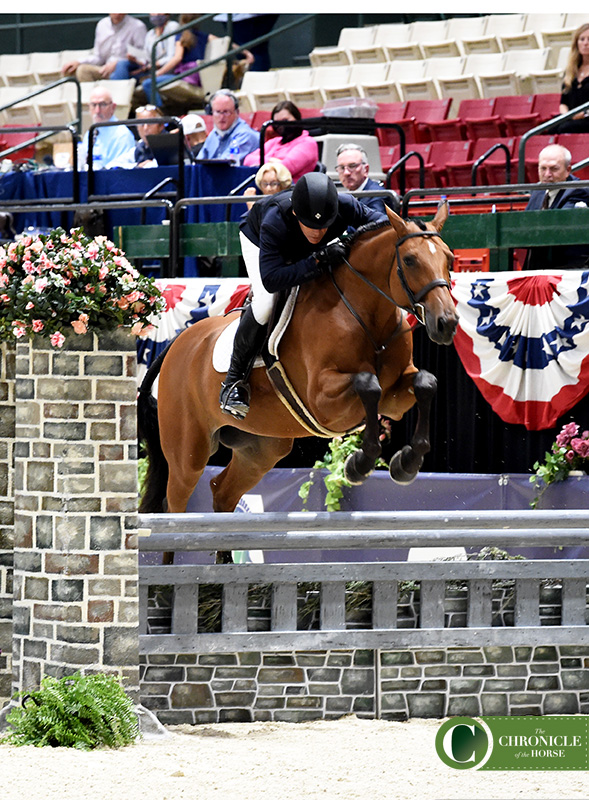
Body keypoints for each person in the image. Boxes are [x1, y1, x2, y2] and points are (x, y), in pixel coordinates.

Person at [219, 172, 387, 419]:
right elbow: (272, 279)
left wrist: (350, 241)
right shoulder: (274, 220)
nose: (318, 233)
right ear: (297, 213)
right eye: (311, 224)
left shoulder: (345, 205)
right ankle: (232, 382)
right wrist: (317, 260)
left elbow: (382, 224)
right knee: (266, 303)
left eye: (324, 225)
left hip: (302, 249)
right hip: (260, 243)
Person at [523, 144, 589, 270]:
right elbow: (525, 225)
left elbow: (557, 225)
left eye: (554, 169)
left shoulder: (578, 190)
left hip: (566, 269)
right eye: (543, 168)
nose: (547, 174)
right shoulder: (538, 191)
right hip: (537, 269)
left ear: (568, 170)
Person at [141, 14, 215, 108]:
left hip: (186, 76)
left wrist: (159, 73)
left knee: (148, 83)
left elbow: (177, 58)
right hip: (200, 76)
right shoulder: (204, 35)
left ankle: (159, 112)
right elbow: (223, 41)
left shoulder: (181, 36)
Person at [243, 101, 319, 182]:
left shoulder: (307, 143)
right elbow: (247, 160)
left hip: (292, 191)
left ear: (296, 119)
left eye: (285, 120)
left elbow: (283, 170)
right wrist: (271, 161)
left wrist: (264, 162)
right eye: (276, 122)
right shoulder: (274, 142)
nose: (281, 125)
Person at [62, 14, 147, 82]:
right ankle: (95, 100)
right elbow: (98, 57)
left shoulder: (137, 26)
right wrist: (78, 62)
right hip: (105, 69)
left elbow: (144, 58)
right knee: (81, 70)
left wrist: (119, 62)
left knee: (120, 67)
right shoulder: (102, 25)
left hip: (128, 70)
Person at [335, 143, 401, 215]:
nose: (346, 173)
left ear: (366, 169)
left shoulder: (378, 195)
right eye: (341, 168)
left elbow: (376, 225)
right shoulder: (344, 196)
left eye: (352, 166)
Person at [111, 13, 180, 82]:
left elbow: (172, 57)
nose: (157, 14)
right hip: (148, 69)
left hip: (165, 70)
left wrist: (155, 64)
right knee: (121, 66)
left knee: (119, 75)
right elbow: (146, 57)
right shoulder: (150, 34)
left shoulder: (172, 26)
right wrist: (135, 60)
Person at [80, 87, 136, 170]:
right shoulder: (90, 133)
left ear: (113, 107)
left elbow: (119, 172)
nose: (97, 110)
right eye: (93, 105)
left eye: (102, 104)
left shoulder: (122, 135)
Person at [197, 89, 258, 164]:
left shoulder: (245, 135)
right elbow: (198, 163)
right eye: (218, 112)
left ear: (237, 112)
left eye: (226, 112)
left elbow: (223, 167)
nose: (221, 117)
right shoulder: (214, 134)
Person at [554, 23, 589, 134]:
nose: (585, 43)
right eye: (582, 39)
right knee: (547, 128)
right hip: (570, 118)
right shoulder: (570, 71)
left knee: (566, 128)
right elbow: (563, 102)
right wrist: (567, 115)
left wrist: (582, 114)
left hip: (587, 118)